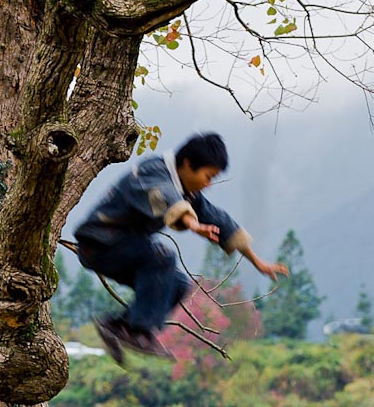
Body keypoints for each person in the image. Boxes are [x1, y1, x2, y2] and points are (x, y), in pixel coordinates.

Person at [74, 132, 288, 364]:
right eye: (207, 176)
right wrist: (192, 224)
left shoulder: (187, 192)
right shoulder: (152, 172)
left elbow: (221, 220)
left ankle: (119, 326)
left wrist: (257, 262)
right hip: (100, 243)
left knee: (177, 286)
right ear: (187, 164)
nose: (208, 184)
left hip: (124, 249)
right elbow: (167, 198)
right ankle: (139, 330)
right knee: (163, 257)